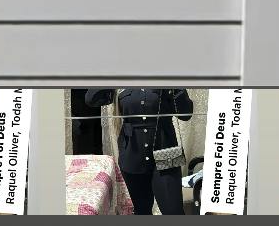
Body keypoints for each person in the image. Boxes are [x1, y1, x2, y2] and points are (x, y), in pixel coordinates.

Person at [80, 85, 194, 215]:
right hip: (132, 152)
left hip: (167, 149)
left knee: (173, 211)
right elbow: (91, 99)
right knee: (141, 211)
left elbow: (186, 114)